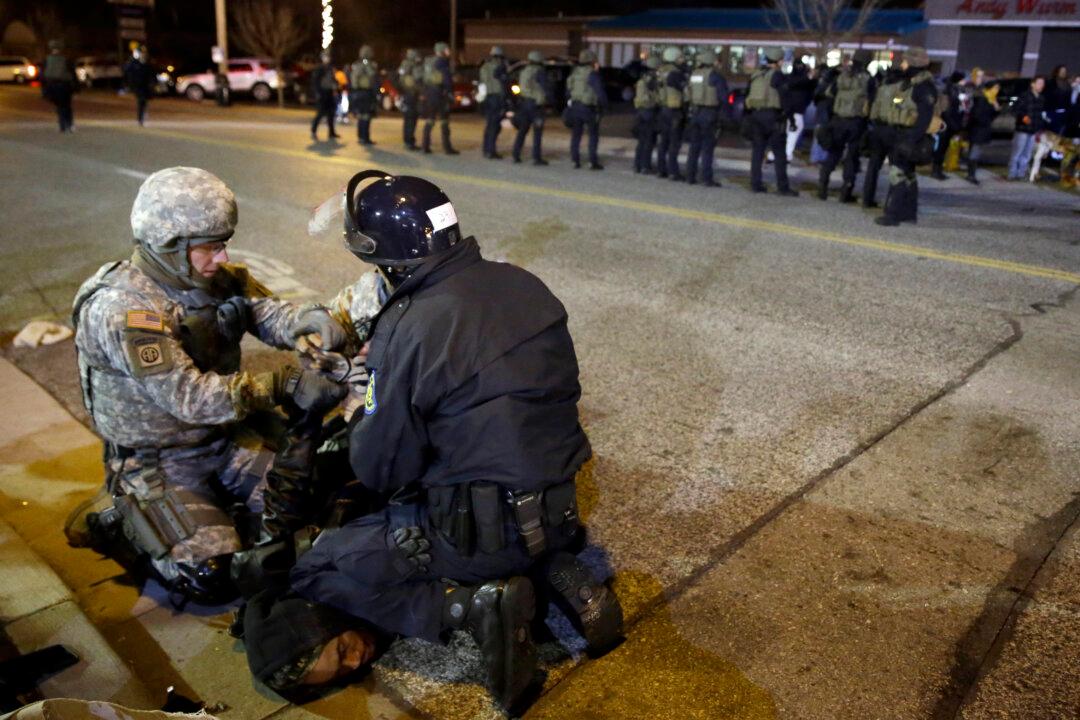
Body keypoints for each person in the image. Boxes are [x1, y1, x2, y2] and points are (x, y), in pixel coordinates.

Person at [289, 170, 623, 711]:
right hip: (559, 508)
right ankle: (561, 570)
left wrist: (362, 425)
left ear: (387, 260)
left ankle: (472, 605)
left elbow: (382, 467)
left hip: (475, 534)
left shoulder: (409, 324)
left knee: (318, 566)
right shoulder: (524, 284)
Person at [66, 167, 349, 604]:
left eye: (223, 244)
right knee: (210, 577)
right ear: (170, 246)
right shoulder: (125, 308)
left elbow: (263, 312)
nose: (221, 257)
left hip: (224, 439)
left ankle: (214, 509)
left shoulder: (213, 279)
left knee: (306, 509)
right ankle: (119, 518)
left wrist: (306, 322)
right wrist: (283, 382)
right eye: (210, 247)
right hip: (159, 459)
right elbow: (190, 398)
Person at [875, 47, 938, 226]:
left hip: (908, 137)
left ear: (913, 64)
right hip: (902, 135)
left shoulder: (923, 87)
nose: (902, 64)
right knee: (908, 176)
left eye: (905, 61)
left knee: (898, 175)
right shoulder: (911, 84)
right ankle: (908, 214)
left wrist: (910, 140)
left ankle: (893, 214)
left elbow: (924, 117)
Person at [816, 49, 875, 202]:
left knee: (833, 154)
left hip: (838, 120)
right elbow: (873, 100)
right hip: (856, 122)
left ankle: (822, 187)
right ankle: (845, 191)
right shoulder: (868, 79)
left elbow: (830, 95)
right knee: (851, 157)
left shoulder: (842, 76)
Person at [744, 47, 796, 195]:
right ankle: (783, 187)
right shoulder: (777, 76)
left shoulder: (755, 75)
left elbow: (748, 95)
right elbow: (785, 99)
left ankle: (755, 184)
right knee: (780, 154)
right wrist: (791, 120)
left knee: (758, 152)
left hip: (757, 116)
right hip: (774, 118)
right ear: (779, 61)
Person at [684, 49, 728, 187]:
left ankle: (690, 176)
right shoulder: (715, 76)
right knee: (707, 147)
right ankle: (706, 178)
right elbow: (723, 97)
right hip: (709, 114)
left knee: (694, 146)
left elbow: (688, 93)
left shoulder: (694, 74)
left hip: (695, 113)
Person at [861, 65, 902, 208]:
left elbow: (872, 111)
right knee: (895, 168)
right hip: (893, 130)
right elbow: (900, 109)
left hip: (878, 129)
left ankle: (867, 198)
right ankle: (890, 202)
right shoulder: (900, 91)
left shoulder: (881, 90)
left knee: (873, 166)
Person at [565, 49, 607, 170]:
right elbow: (599, 92)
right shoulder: (592, 74)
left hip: (575, 107)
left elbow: (568, 91)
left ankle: (575, 160)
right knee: (593, 135)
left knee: (576, 134)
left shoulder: (575, 73)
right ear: (591, 61)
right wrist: (605, 105)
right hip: (588, 108)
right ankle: (592, 161)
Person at [511, 50, 551, 165]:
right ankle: (536, 157)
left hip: (525, 104)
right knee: (537, 132)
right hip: (536, 105)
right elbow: (545, 87)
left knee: (523, 130)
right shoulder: (539, 72)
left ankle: (516, 154)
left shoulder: (524, 71)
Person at [654, 46, 687, 180]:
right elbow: (685, 91)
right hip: (674, 111)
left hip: (663, 110)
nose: (682, 60)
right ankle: (673, 172)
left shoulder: (660, 72)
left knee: (663, 141)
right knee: (674, 142)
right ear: (674, 58)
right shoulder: (676, 73)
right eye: (680, 57)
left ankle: (661, 170)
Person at [420, 41, 458, 155]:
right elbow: (447, 79)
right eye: (447, 49)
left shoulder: (428, 62)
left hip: (430, 93)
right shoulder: (442, 62)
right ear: (442, 50)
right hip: (440, 93)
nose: (449, 51)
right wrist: (450, 92)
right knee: (444, 121)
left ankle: (425, 146)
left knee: (430, 120)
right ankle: (447, 148)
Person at [1007, 76, 1046, 180]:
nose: (1041, 86)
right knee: (1017, 152)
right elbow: (1015, 109)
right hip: (1022, 129)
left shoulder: (1041, 98)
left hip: (1033, 130)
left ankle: (1021, 173)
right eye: (1039, 83)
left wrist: (1039, 127)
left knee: (1027, 153)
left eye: (1042, 84)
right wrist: (1023, 117)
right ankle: (1012, 173)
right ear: (1032, 84)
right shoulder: (1024, 96)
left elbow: (1040, 114)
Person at [965, 69, 999, 185]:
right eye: (995, 88)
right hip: (977, 129)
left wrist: (995, 108)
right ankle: (971, 174)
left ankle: (971, 173)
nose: (997, 91)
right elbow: (977, 115)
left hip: (981, 129)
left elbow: (992, 116)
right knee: (974, 152)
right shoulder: (982, 98)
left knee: (975, 152)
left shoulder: (990, 99)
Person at [930, 71, 965, 180]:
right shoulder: (949, 91)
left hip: (950, 123)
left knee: (943, 148)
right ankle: (936, 170)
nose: (964, 82)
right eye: (962, 79)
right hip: (946, 125)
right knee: (941, 148)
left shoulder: (955, 90)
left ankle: (938, 170)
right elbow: (947, 110)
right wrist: (953, 125)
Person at [632, 55, 661, 174]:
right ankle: (645, 166)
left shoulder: (642, 79)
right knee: (649, 141)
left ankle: (637, 165)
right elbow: (656, 97)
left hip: (640, 112)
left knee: (641, 141)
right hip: (650, 112)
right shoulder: (654, 80)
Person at [782, 58, 815, 163]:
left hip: (788, 110)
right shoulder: (805, 82)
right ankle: (786, 155)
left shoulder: (789, 79)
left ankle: (780, 154)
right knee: (792, 134)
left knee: (789, 134)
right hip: (797, 111)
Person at [479, 46, 509, 159]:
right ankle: (491, 151)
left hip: (487, 97)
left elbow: (481, 84)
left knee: (489, 124)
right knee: (495, 126)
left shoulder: (484, 66)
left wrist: (482, 99)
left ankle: (486, 149)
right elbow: (504, 85)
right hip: (497, 98)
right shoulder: (500, 66)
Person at [41, 39, 76, 133]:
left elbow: (43, 75)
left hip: (53, 86)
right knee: (66, 106)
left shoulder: (47, 60)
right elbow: (72, 73)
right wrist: (75, 87)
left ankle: (62, 125)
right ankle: (69, 124)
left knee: (60, 106)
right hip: (65, 86)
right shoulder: (66, 60)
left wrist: (44, 89)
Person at [349, 45, 378, 145]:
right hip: (366, 92)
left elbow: (353, 79)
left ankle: (361, 137)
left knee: (361, 115)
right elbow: (372, 75)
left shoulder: (357, 64)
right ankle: (365, 138)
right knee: (366, 116)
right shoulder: (368, 65)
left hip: (358, 92)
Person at [396, 49, 423, 150]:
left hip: (406, 94)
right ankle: (409, 142)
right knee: (411, 118)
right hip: (412, 94)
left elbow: (399, 79)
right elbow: (418, 79)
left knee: (408, 118)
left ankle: (407, 140)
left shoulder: (403, 65)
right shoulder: (413, 66)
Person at [310, 51, 340, 141]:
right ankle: (313, 130)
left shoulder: (330, 68)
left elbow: (334, 80)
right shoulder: (319, 69)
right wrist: (318, 93)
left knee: (331, 114)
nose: (327, 59)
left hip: (330, 93)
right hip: (322, 93)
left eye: (328, 57)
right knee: (320, 113)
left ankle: (331, 132)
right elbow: (315, 82)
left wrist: (336, 86)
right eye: (325, 57)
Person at [123, 45, 154, 127]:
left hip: (145, 86)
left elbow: (150, 74)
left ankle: (143, 115)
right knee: (141, 100)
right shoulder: (133, 63)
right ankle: (140, 118)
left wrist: (152, 83)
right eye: (141, 53)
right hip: (137, 86)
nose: (143, 55)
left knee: (144, 101)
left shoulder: (147, 63)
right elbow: (126, 71)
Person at [1044, 64, 1070, 134]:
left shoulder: (1067, 84)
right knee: (1047, 130)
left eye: (1064, 71)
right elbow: (1046, 96)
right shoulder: (1051, 83)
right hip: (1051, 110)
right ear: (1057, 72)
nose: (1063, 73)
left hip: (1063, 112)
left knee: (1057, 131)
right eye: (1061, 71)